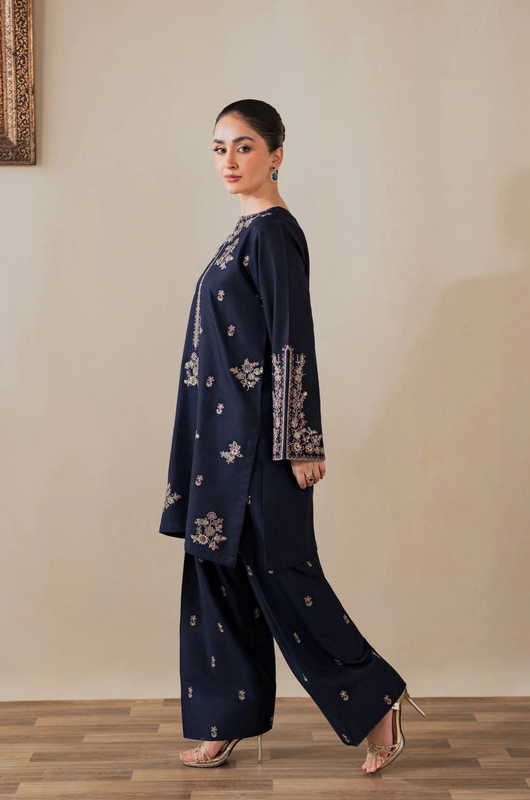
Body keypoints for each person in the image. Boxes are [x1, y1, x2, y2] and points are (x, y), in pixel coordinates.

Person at [159, 98, 425, 774]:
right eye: (218, 148)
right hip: (215, 447)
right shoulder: (239, 234)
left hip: (256, 446)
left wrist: (300, 440)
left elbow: (289, 339)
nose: (228, 160)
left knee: (282, 577)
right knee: (216, 577)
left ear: (275, 155)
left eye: (243, 146)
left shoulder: (273, 233)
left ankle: (377, 702)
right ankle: (224, 720)